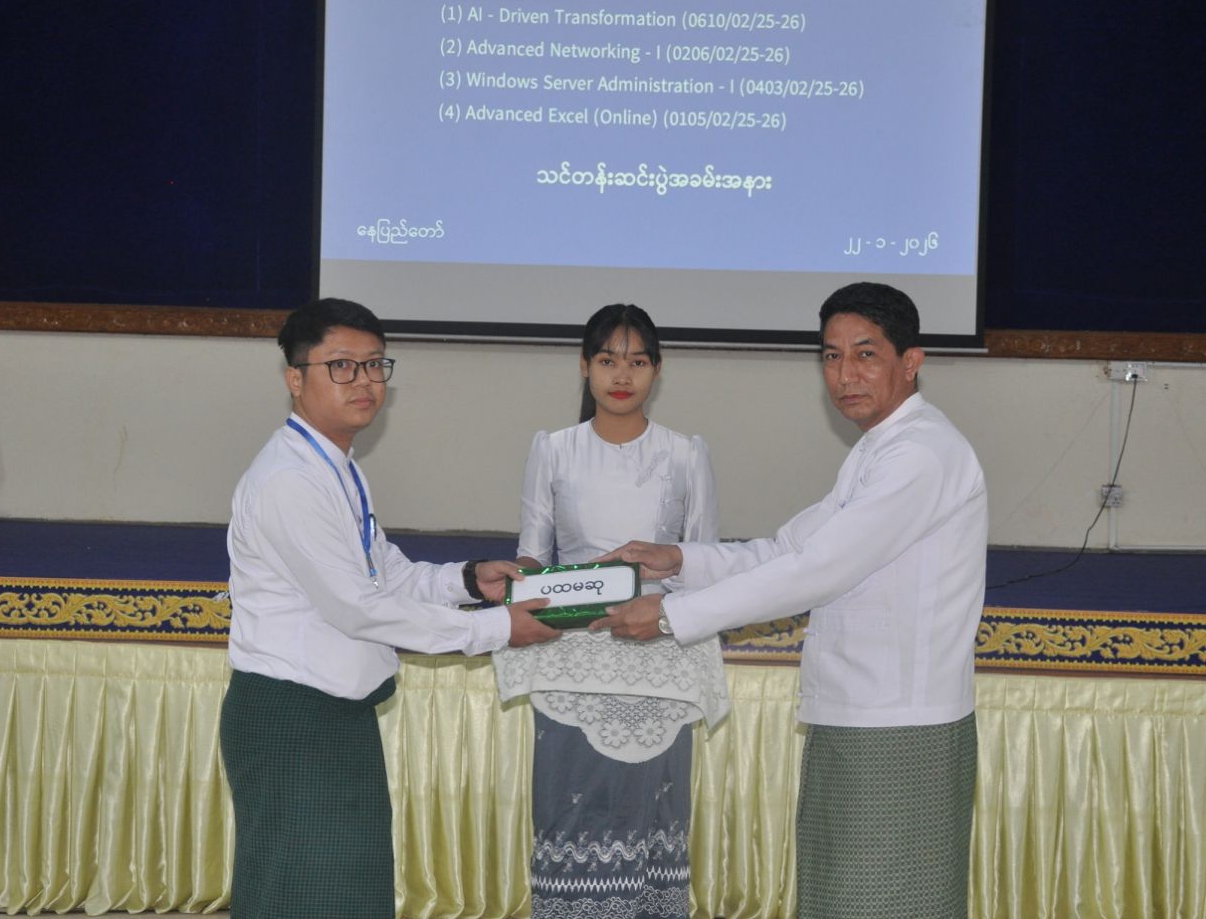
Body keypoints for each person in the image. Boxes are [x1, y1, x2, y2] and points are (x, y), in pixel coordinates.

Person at [593, 282, 988, 919]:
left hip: (899, 725)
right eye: (831, 356)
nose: (845, 374)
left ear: (911, 361)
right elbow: (787, 548)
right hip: (858, 714)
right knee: (839, 900)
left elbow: (817, 570)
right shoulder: (879, 448)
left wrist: (671, 615)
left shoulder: (922, 453)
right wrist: (681, 560)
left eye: (865, 354)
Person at [220, 297, 559, 919]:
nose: (365, 381)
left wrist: (470, 580)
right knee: (301, 900)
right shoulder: (289, 479)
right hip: (292, 717)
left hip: (336, 713)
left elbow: (387, 574)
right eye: (342, 366)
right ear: (295, 378)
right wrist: (496, 628)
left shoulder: (335, 464)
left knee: (347, 898)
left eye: (375, 365)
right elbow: (358, 609)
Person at [492, 303, 729, 919]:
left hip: (660, 648)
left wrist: (661, 607)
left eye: (637, 362)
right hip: (574, 650)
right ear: (584, 366)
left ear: (658, 370)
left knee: (652, 810)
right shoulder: (553, 448)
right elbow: (532, 554)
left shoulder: (686, 452)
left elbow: (703, 560)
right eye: (607, 360)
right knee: (572, 806)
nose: (622, 375)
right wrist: (532, 590)